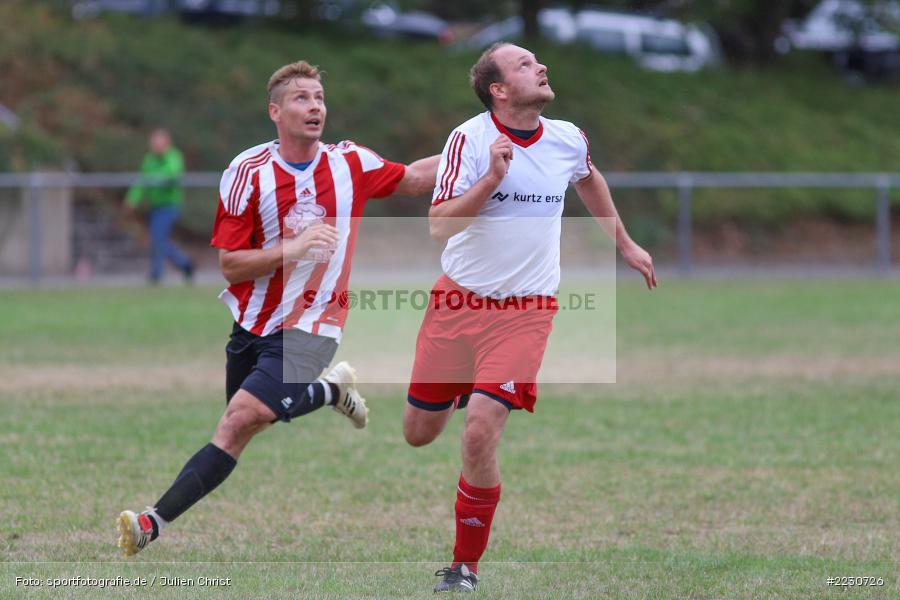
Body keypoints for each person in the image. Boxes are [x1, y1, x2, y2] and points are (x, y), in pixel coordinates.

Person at [116, 60, 440, 556]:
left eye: (319, 98)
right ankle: (331, 390)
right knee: (248, 422)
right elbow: (230, 265)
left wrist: (476, 145)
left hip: (316, 323)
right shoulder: (247, 172)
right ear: (275, 111)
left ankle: (149, 523)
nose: (315, 106)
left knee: (240, 419)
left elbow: (417, 177)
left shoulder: (349, 163)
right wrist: (291, 249)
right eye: (301, 98)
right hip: (253, 322)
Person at [403, 43, 658, 593]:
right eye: (524, 65)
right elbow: (439, 226)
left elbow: (588, 178)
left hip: (527, 310)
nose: (540, 67)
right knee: (419, 434)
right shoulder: (469, 140)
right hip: (457, 304)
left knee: (479, 432)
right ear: (499, 90)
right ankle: (466, 385)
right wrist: (491, 179)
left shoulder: (568, 138)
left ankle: (463, 568)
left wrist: (625, 243)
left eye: (537, 61)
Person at [125, 128, 195, 284]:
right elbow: (141, 181)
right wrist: (132, 199)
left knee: (158, 238)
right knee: (158, 239)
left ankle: (160, 272)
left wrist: (155, 178)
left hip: (170, 206)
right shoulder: (149, 159)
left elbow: (172, 174)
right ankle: (184, 264)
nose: (154, 145)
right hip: (156, 206)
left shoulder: (173, 156)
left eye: (157, 142)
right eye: (153, 142)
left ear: (166, 143)